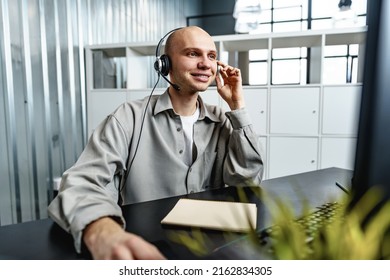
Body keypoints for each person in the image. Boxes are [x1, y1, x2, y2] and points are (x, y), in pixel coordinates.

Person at [48, 26, 264, 260]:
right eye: (193, 54)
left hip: (211, 249)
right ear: (165, 64)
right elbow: (82, 182)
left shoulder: (222, 120)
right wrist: (103, 231)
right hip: (144, 249)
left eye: (211, 56)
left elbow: (247, 186)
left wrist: (237, 106)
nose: (205, 64)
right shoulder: (128, 117)